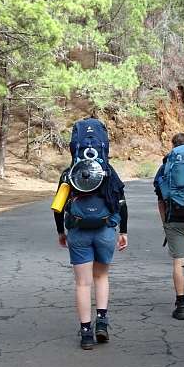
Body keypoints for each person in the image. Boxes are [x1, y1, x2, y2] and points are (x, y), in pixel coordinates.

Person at [53, 118, 128, 350]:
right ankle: (102, 322)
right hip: (105, 229)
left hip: (78, 230)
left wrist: (61, 232)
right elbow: (121, 203)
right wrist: (123, 230)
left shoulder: (69, 173)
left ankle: (86, 333)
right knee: (101, 277)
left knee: (83, 284)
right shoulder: (108, 170)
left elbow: (57, 206)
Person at [154, 133, 184, 320]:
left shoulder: (166, 167)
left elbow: (161, 199)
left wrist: (165, 222)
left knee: (178, 262)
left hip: (173, 219)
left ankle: (181, 305)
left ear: (172, 145)